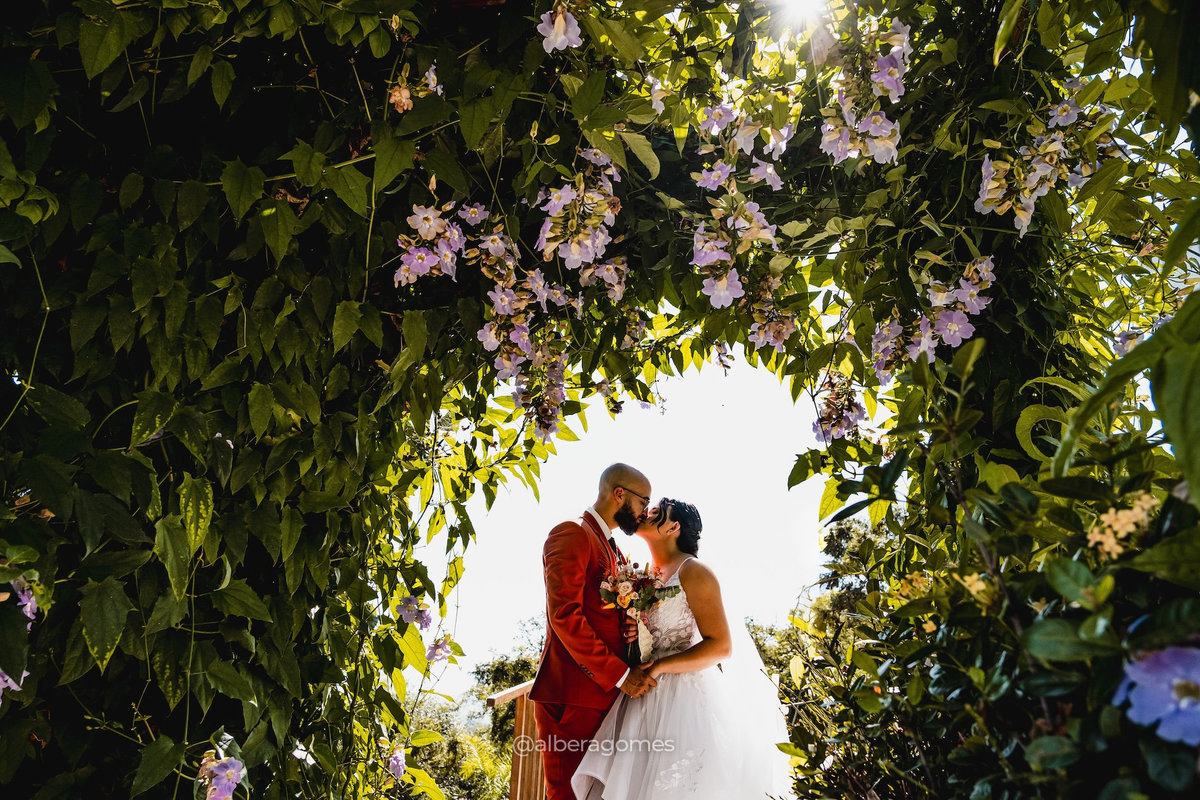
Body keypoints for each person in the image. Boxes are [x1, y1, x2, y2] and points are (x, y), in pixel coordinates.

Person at [572, 498, 795, 800]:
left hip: (683, 699)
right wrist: (633, 634)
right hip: (642, 695)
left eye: (655, 513)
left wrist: (662, 666)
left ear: (674, 526)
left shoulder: (694, 571)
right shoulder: (646, 577)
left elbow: (721, 646)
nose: (645, 515)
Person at [529, 463, 660, 800]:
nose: (645, 511)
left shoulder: (612, 548)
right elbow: (565, 616)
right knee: (567, 794)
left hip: (603, 696)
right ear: (619, 494)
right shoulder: (572, 533)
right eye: (643, 502)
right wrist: (619, 674)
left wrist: (630, 626)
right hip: (573, 696)